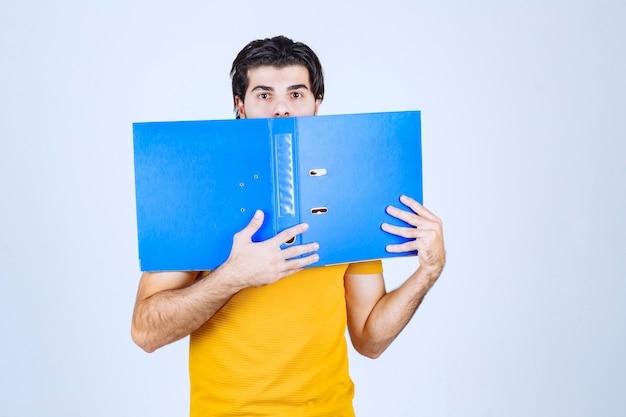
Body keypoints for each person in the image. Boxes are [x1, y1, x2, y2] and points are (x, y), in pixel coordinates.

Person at [131, 35, 445, 417]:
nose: (281, 108)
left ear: (317, 104)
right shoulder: (197, 189)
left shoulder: (352, 198)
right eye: (264, 95)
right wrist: (234, 275)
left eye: (296, 94)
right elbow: (146, 331)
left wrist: (428, 272)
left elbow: (370, 340)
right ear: (240, 106)